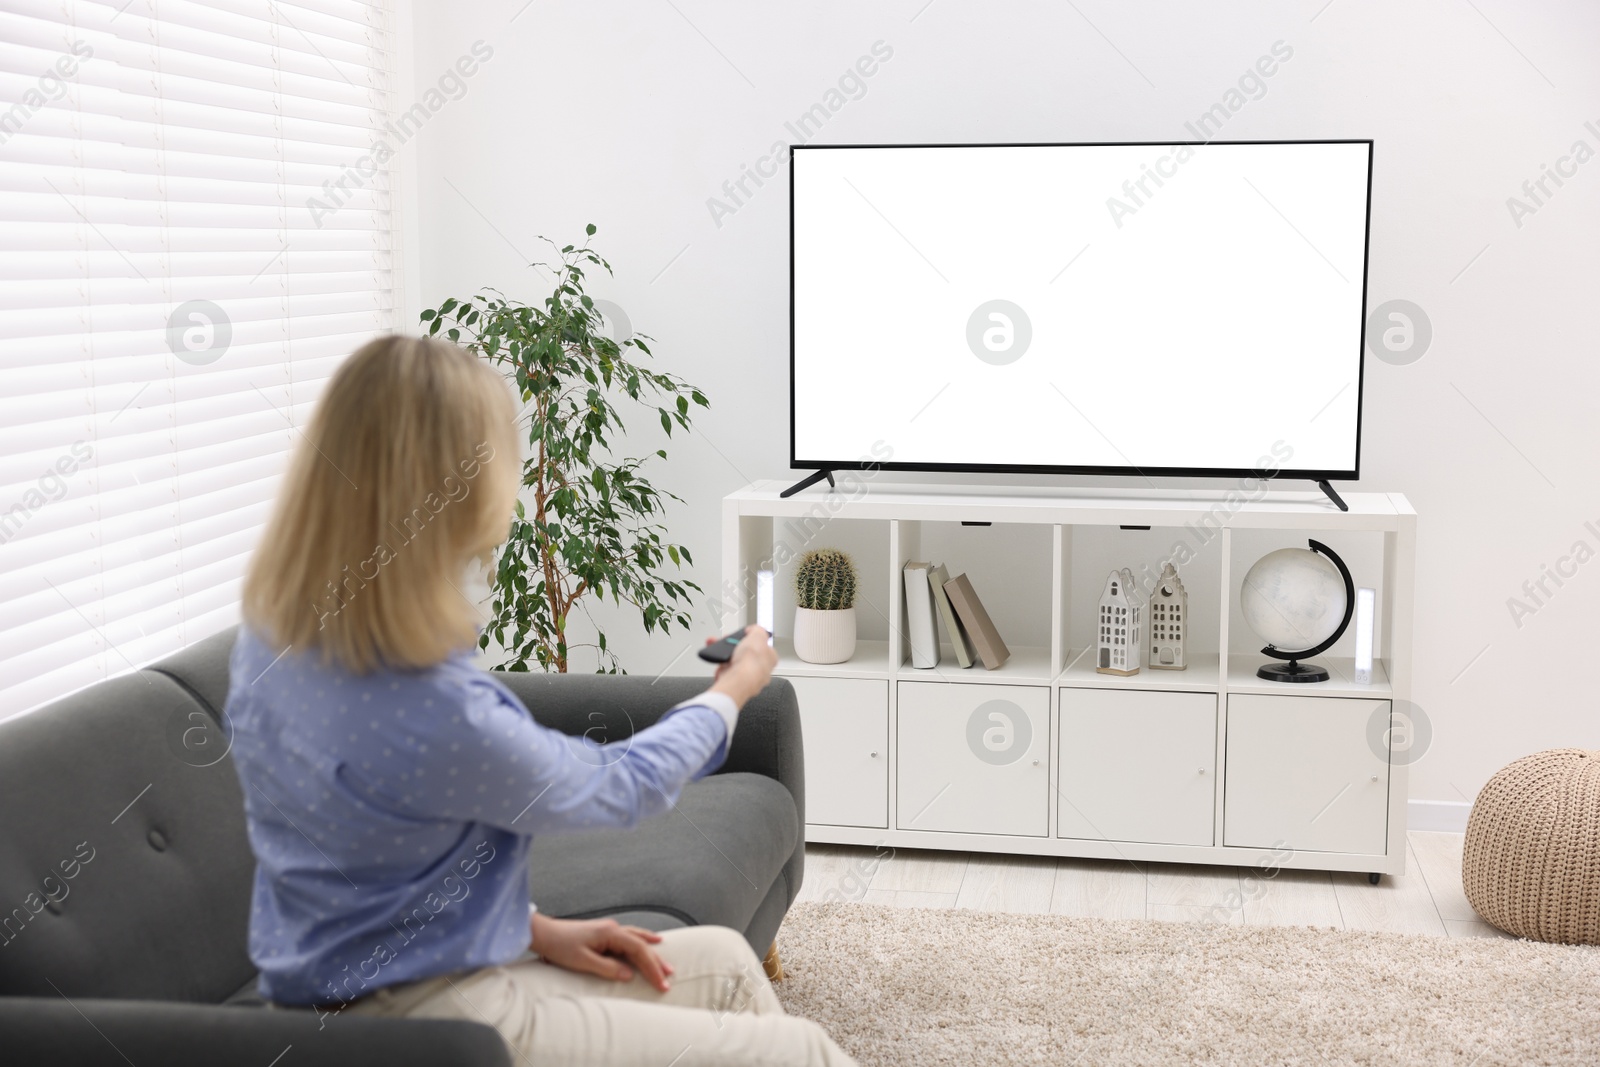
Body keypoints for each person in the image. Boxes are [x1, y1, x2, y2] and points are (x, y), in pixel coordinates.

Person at [225, 335, 856, 1066]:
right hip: (428, 1016)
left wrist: (537, 929)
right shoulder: (435, 703)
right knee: (803, 1048)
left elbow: (372, 858)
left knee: (720, 960)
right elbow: (624, 785)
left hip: (360, 983)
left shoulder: (268, 642)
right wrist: (734, 689)